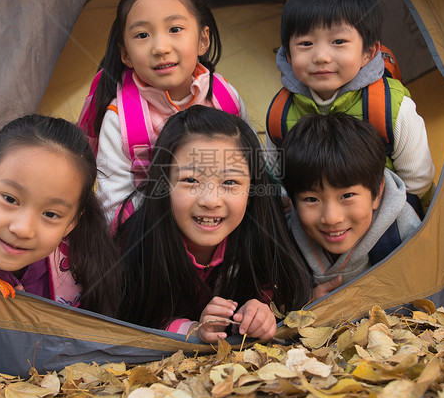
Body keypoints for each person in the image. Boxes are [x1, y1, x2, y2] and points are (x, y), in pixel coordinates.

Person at [115, 106, 311, 342]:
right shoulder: (136, 229)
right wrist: (192, 329)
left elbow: (280, 291)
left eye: (229, 182)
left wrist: (261, 312)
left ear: (251, 190)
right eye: (190, 180)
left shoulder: (260, 230)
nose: (210, 201)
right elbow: (128, 316)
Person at [78, 0, 248, 222]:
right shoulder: (121, 121)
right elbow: (112, 208)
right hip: (149, 239)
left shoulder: (225, 99)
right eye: (142, 35)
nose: (160, 47)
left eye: (175, 29)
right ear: (125, 54)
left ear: (203, 40)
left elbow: (253, 168)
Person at [266, 0, 435, 214]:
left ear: (368, 52)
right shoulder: (280, 112)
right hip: (316, 221)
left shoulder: (390, 107)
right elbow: (276, 178)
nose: (321, 56)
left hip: (386, 216)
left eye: (338, 41)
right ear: (288, 54)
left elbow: (417, 179)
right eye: (305, 43)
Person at [0, 114, 121, 317]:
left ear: (72, 222)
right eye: (10, 199)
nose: (23, 229)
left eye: (51, 214)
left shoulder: (86, 272)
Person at [281, 112, 422, 300]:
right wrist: (305, 301)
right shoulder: (286, 239)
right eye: (312, 199)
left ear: (377, 193)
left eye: (347, 196)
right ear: (293, 200)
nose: (332, 218)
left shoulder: (402, 231)